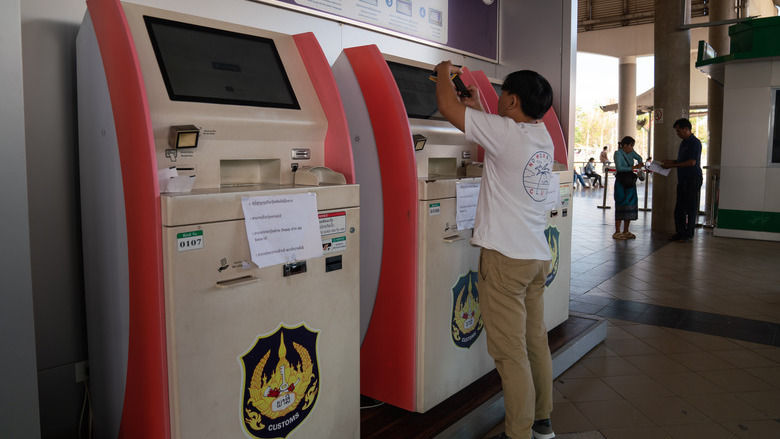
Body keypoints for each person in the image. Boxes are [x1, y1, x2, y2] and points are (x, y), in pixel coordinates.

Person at [435, 61, 556, 439]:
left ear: (513, 100)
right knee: (535, 342)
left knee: (509, 352)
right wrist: (480, 109)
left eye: (503, 93)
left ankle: (517, 433)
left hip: (505, 260)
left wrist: (442, 72)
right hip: (535, 257)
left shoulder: (505, 132)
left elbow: (447, 108)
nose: (498, 98)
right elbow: (502, 139)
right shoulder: (542, 136)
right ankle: (542, 422)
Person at [660, 118, 703, 242]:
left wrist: (672, 166)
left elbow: (691, 162)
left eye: (678, 131)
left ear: (686, 129)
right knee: (679, 208)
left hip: (693, 179)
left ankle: (688, 235)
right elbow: (681, 161)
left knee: (690, 208)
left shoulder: (695, 143)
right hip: (682, 180)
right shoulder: (683, 143)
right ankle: (680, 232)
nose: (677, 134)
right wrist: (671, 162)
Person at [613, 136, 643, 240]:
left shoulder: (631, 152)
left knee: (630, 204)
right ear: (625, 145)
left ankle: (626, 230)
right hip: (621, 181)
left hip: (630, 181)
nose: (632, 148)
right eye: (631, 146)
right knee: (621, 203)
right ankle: (617, 231)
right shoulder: (618, 153)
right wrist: (633, 167)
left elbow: (639, 158)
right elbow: (619, 168)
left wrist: (640, 162)